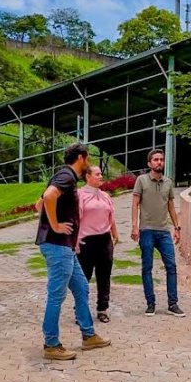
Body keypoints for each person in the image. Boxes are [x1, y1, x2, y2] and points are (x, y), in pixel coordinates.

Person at [35, 143, 111, 360]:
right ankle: (51, 344)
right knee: (56, 295)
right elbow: (48, 197)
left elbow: (37, 205)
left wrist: (52, 220)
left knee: (82, 287)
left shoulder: (63, 176)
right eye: (86, 158)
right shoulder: (67, 176)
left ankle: (88, 335)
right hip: (58, 246)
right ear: (81, 157)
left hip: (65, 247)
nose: (87, 162)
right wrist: (56, 225)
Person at [130, 149, 186, 318]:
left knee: (171, 266)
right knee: (147, 267)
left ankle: (173, 304)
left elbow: (170, 206)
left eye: (161, 159)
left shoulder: (168, 183)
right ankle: (150, 304)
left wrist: (177, 228)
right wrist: (134, 226)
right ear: (149, 164)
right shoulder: (141, 180)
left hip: (164, 231)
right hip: (146, 230)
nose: (159, 162)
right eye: (155, 160)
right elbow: (135, 204)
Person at [77, 165, 119, 323]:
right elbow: (76, 219)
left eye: (101, 173)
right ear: (88, 176)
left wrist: (114, 233)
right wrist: (75, 240)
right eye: (97, 174)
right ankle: (80, 310)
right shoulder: (80, 195)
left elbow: (111, 215)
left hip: (104, 239)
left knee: (104, 275)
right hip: (86, 241)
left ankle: (102, 308)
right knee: (83, 277)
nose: (101, 176)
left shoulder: (105, 196)